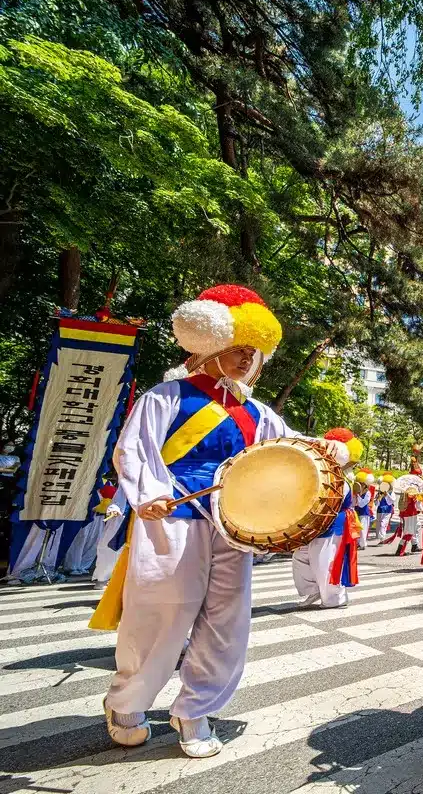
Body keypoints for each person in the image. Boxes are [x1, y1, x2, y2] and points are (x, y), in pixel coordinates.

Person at [95, 284, 337, 759]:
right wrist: (149, 496)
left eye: (254, 352)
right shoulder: (167, 397)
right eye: (238, 349)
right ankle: (127, 701)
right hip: (173, 517)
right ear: (211, 345)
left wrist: (329, 449)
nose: (247, 359)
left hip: (233, 526)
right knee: (161, 613)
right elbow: (135, 450)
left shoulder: (258, 413)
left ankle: (195, 710)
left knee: (226, 622)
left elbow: (292, 451)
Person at [292, 428, 363, 609]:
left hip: (334, 522)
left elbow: (332, 502)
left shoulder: (342, 475)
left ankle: (335, 598)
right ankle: (314, 589)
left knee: (326, 560)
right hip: (317, 521)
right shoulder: (325, 470)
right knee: (301, 557)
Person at [61, 482, 116, 576]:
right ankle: (71, 566)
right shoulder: (87, 481)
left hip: (100, 517)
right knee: (80, 540)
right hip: (86, 516)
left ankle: (83, 565)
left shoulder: (108, 483)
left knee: (95, 542)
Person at [93, 486, 129, 588]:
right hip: (120, 521)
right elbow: (117, 501)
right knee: (109, 550)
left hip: (139, 521)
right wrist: (113, 509)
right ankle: (102, 579)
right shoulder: (125, 486)